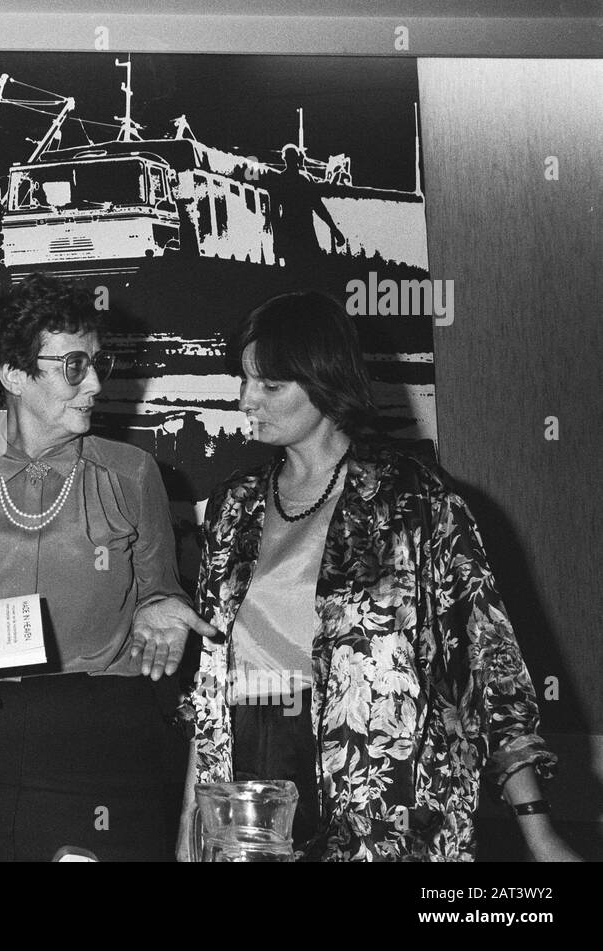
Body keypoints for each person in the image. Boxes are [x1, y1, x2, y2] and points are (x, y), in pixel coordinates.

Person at [179, 290, 575, 861]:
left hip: (382, 790)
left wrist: (538, 833)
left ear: (322, 382)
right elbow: (209, 680)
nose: (246, 400)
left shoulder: (414, 500)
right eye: (243, 381)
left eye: (268, 385)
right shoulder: (232, 507)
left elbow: (490, 668)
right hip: (249, 781)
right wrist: (193, 821)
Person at [0, 272, 218, 861]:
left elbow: (158, 592)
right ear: (14, 375)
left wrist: (165, 608)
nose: (93, 382)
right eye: (73, 366)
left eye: (97, 364)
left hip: (94, 741)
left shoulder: (133, 472)